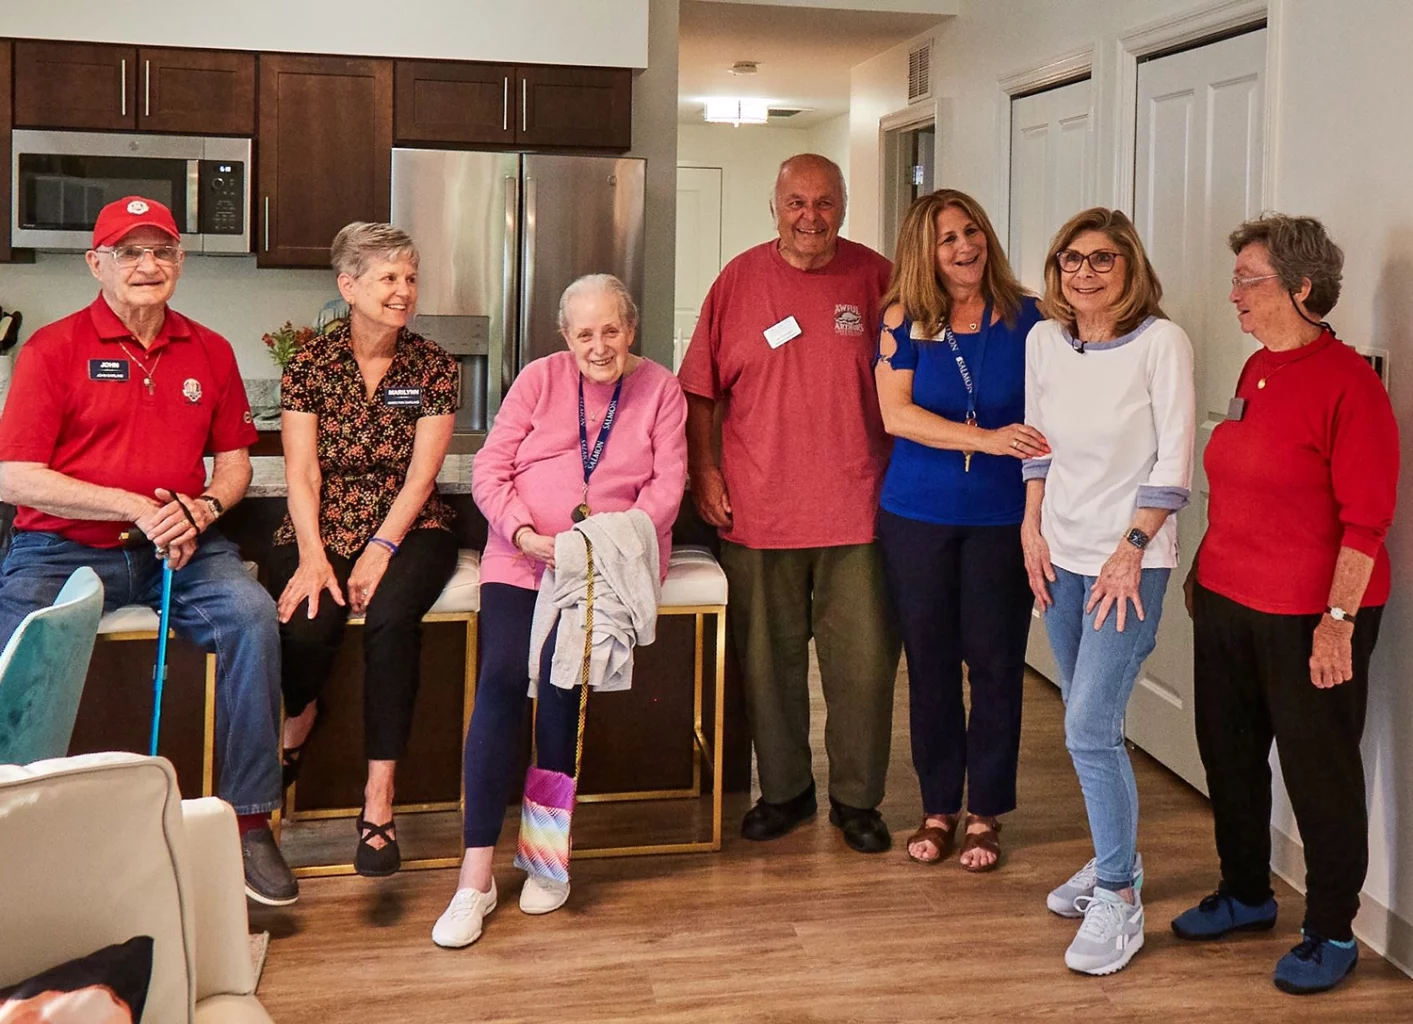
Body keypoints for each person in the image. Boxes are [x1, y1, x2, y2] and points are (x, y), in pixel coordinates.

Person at [0, 196, 296, 906]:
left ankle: (248, 820)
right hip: (61, 550)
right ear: (96, 263)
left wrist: (201, 507)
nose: (147, 265)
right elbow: (14, 476)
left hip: (185, 551)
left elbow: (234, 463)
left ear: (180, 263)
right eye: (129, 252)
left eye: (161, 250)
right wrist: (136, 505)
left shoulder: (211, 351)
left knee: (253, 617)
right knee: (17, 653)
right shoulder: (53, 350)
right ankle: (13, 820)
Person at [1172, 214, 1398, 995]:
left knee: (1318, 772)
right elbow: (1239, 481)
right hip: (1230, 599)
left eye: (1248, 279)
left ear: (1301, 289)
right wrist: (1206, 563)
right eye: (1235, 277)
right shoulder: (1254, 369)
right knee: (1228, 757)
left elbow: (1365, 521)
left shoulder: (1350, 384)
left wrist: (1336, 624)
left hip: (1310, 615)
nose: (1233, 292)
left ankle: (1331, 930)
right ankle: (1244, 894)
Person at [432, 274, 685, 948]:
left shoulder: (659, 388)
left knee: (560, 690)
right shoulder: (540, 380)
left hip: (603, 565)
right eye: (584, 334)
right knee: (498, 685)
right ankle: (475, 876)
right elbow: (489, 469)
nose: (598, 346)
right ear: (564, 336)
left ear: (631, 328)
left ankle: (546, 857)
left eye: (610, 331)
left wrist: (597, 543)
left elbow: (666, 487)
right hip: (521, 558)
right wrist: (520, 533)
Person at [679, 153, 900, 855]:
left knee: (862, 668)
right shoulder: (738, 281)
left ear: (844, 206)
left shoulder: (878, 278)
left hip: (860, 511)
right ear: (773, 206)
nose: (811, 217)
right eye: (797, 202)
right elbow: (700, 392)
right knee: (766, 667)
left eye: (825, 203)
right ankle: (784, 792)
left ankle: (856, 800)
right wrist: (705, 472)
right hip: (758, 508)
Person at [1021, 208, 1194, 974]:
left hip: (1130, 562)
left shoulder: (1162, 343)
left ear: (1130, 268)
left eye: (1102, 259)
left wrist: (1130, 549)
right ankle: (1109, 853)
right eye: (1070, 258)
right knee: (1088, 719)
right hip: (1059, 554)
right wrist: (1030, 529)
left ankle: (1119, 896)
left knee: (1089, 726)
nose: (1083, 272)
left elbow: (1174, 462)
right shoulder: (1042, 341)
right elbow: (1037, 445)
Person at [270, 222, 460, 878]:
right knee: (305, 622)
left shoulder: (433, 365)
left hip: (412, 527)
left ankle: (379, 799)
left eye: (409, 278)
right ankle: (300, 715)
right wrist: (314, 556)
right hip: (324, 523)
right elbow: (302, 473)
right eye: (388, 278)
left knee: (389, 621)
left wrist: (382, 546)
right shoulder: (308, 366)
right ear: (348, 286)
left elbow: (421, 476)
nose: (403, 291)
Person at [875, 190, 1046, 871]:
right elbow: (896, 414)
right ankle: (938, 805)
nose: (963, 247)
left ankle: (986, 813)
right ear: (925, 250)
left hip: (1002, 519)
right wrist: (984, 437)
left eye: (970, 232)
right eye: (946, 238)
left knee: (998, 666)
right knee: (931, 665)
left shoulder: (1031, 317)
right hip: (916, 515)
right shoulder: (902, 319)